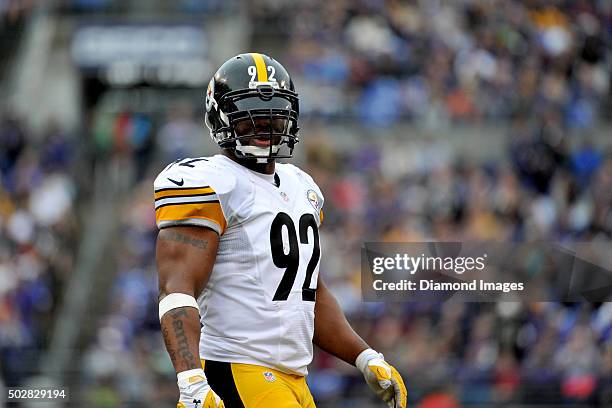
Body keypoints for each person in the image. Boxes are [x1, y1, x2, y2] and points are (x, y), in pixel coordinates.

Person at [154, 53, 407, 408]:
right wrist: (191, 379)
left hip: (293, 378)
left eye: (273, 115)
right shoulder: (209, 182)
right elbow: (176, 289)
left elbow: (307, 293)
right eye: (250, 117)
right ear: (220, 118)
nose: (264, 126)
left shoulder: (301, 186)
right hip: (238, 368)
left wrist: (366, 358)